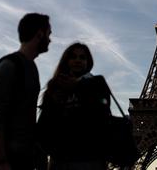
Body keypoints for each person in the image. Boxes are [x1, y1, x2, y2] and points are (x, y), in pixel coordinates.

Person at [0, 13, 51, 170]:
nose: (50, 40)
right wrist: (0, 160)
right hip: (9, 158)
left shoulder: (31, 68)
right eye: (49, 34)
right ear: (39, 34)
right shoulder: (9, 66)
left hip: (23, 156)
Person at [38, 42, 111, 170]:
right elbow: (45, 123)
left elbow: (103, 112)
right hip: (60, 159)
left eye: (82, 57)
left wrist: (78, 86)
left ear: (88, 62)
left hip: (90, 158)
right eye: (73, 57)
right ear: (66, 60)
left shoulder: (97, 83)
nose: (77, 60)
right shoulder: (55, 86)